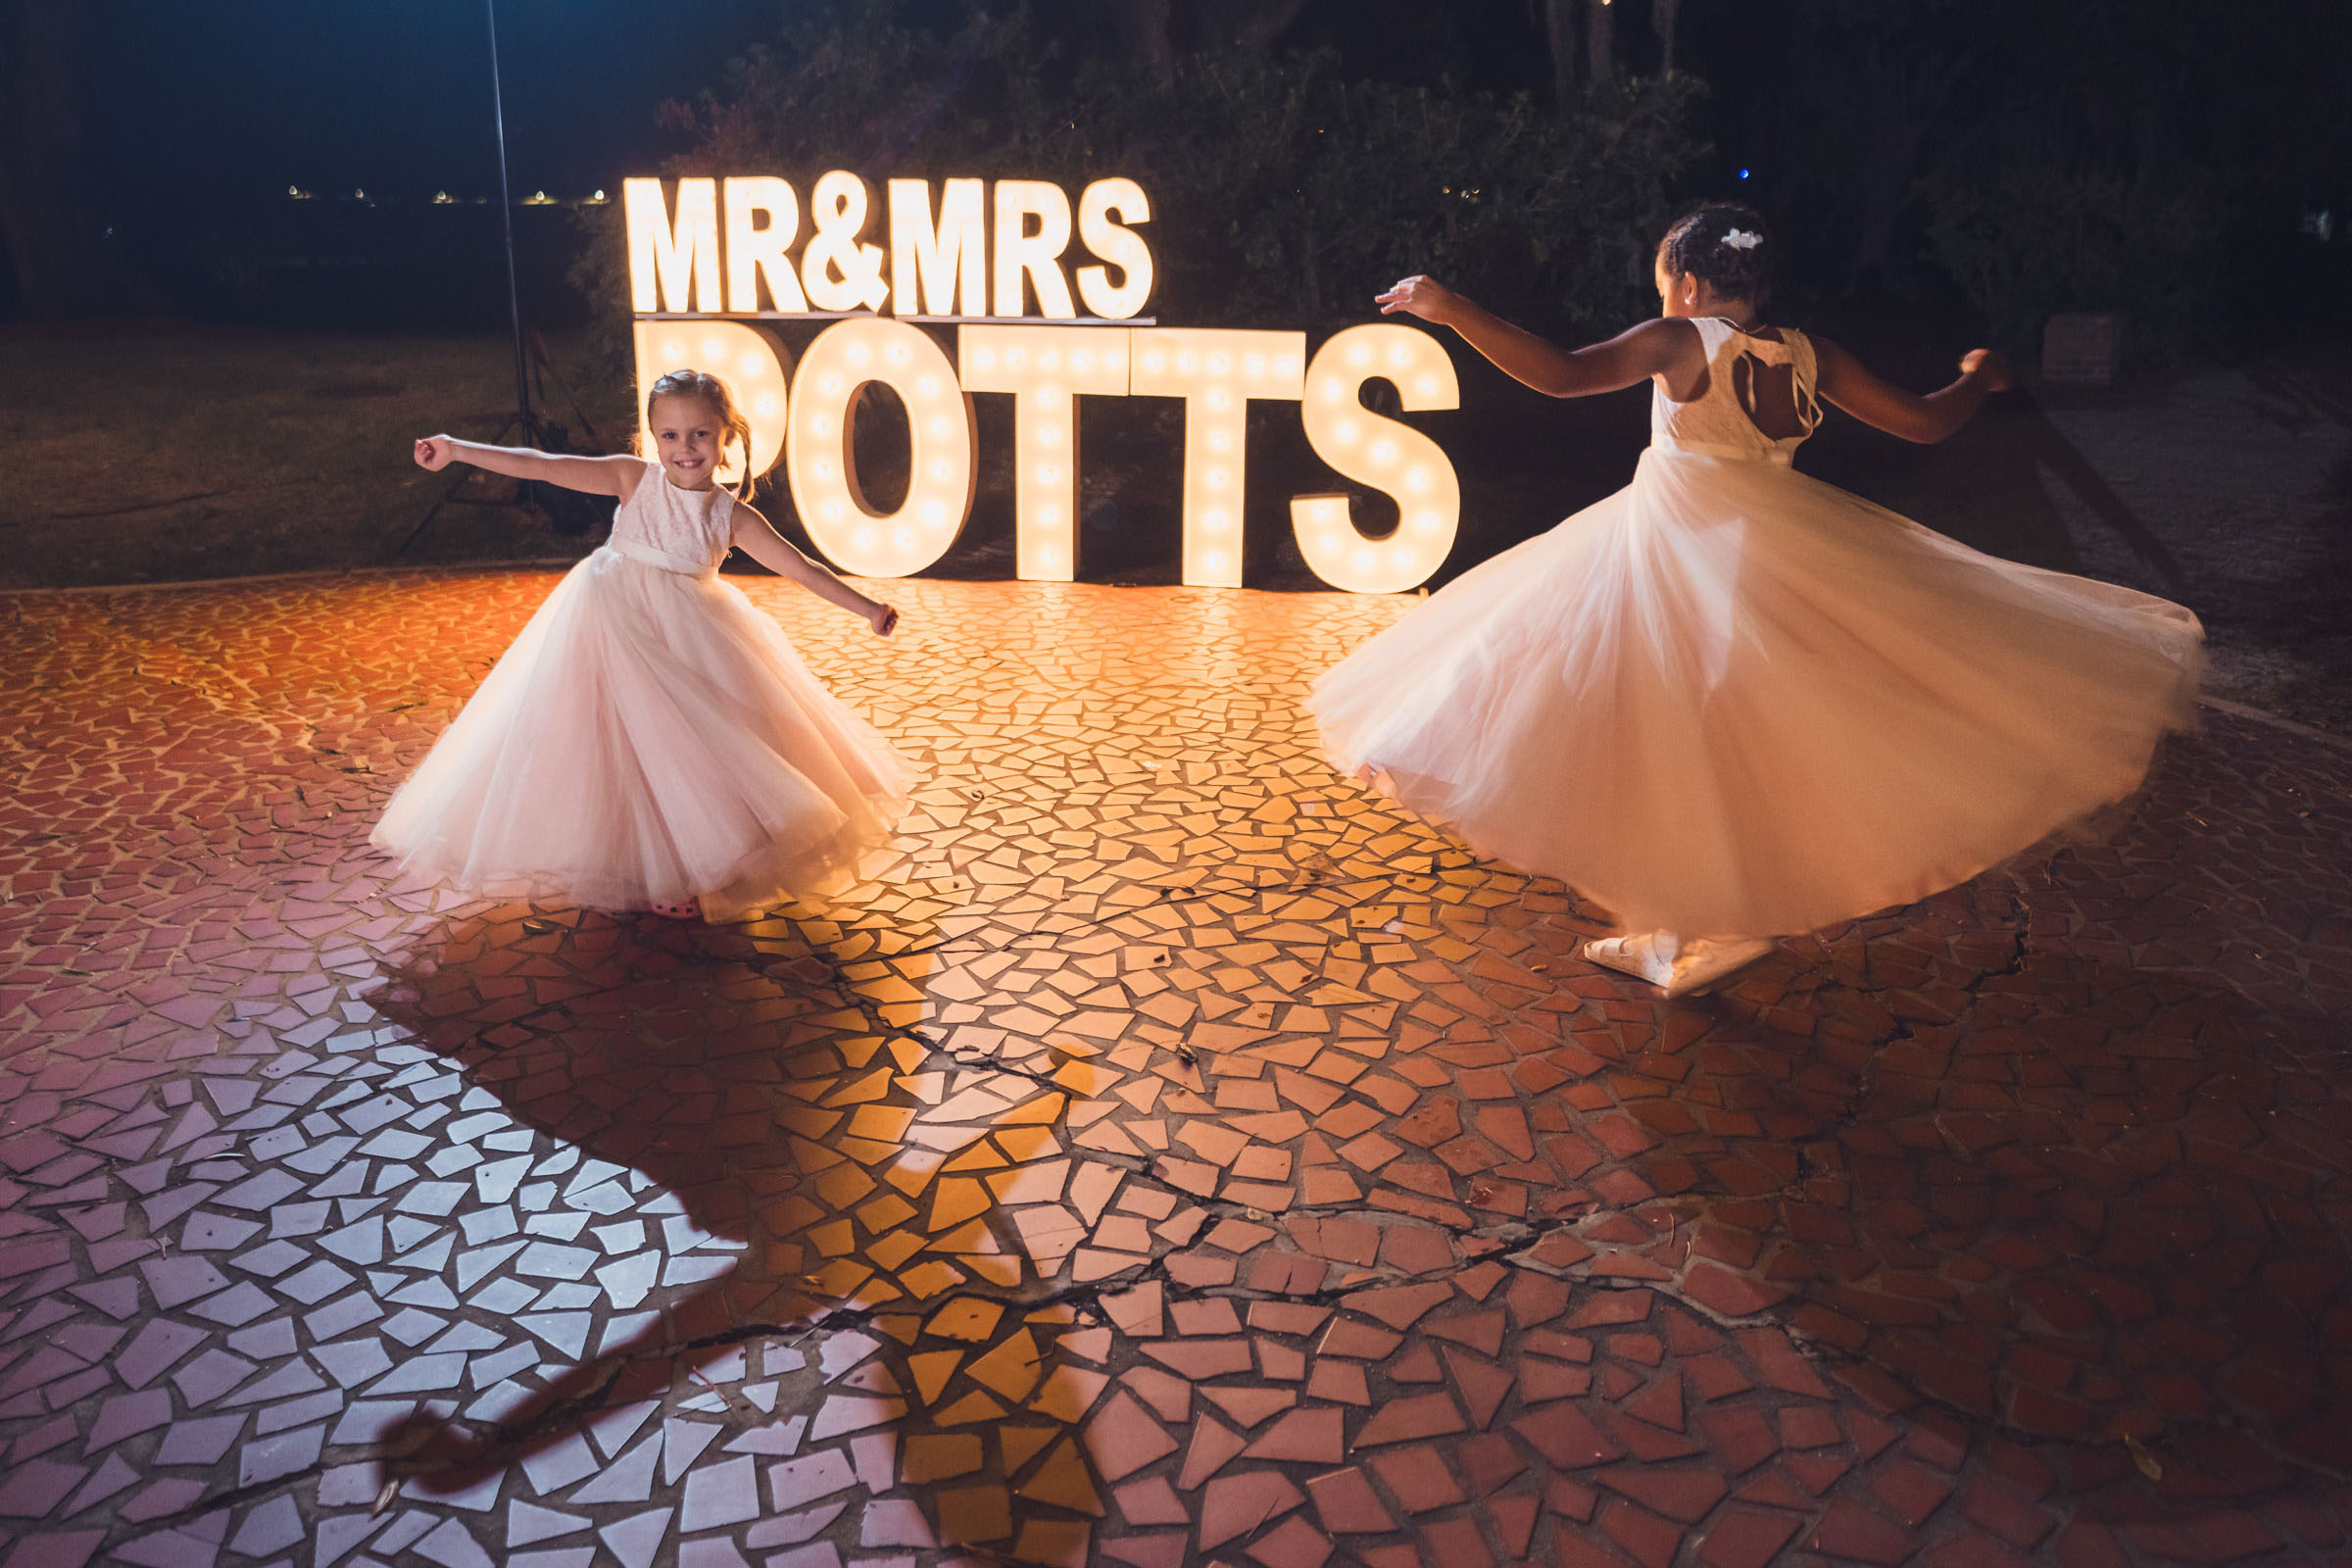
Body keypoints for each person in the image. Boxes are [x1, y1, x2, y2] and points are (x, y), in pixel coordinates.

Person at [1310, 204, 2203, 997]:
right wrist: (1978, 376)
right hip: (1759, 557)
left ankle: (1690, 926)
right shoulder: (1810, 354)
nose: (1663, 298)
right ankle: (1693, 922)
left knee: (1622, 709)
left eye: (1663, 284)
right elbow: (1926, 420)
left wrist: (1451, 307)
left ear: (1691, 284)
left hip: (1676, 558)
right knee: (1704, 731)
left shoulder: (1681, 340)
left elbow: (1561, 375)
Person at [373, 368, 910, 922]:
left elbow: (800, 568)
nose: (685, 449)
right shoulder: (633, 479)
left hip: (689, 633)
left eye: (701, 434)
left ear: (727, 436)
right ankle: (625, 859)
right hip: (608, 617)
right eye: (671, 435)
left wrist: (867, 610)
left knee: (686, 745)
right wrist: (457, 450)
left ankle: (683, 864)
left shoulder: (731, 516)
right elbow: (546, 466)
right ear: (652, 438)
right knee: (604, 739)